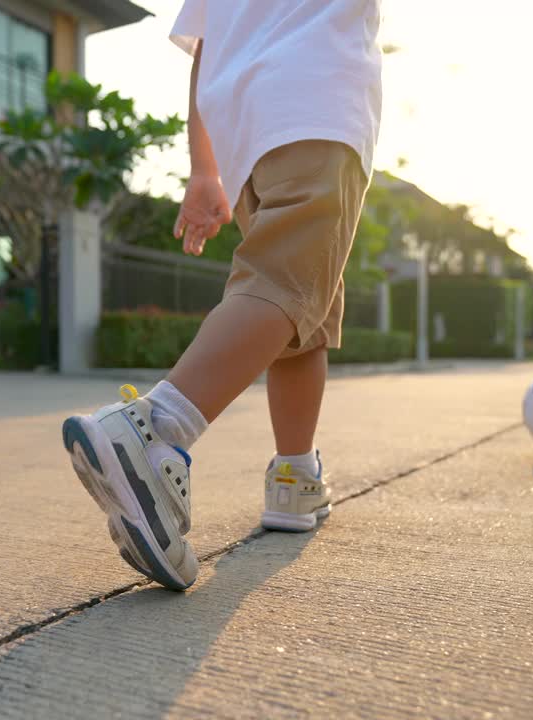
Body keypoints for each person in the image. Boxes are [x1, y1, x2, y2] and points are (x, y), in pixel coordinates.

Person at [62, 0, 382, 590]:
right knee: (286, 283)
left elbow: (204, 52)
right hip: (319, 102)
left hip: (245, 133)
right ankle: (156, 429)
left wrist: (204, 169)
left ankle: (295, 477)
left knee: (301, 309)